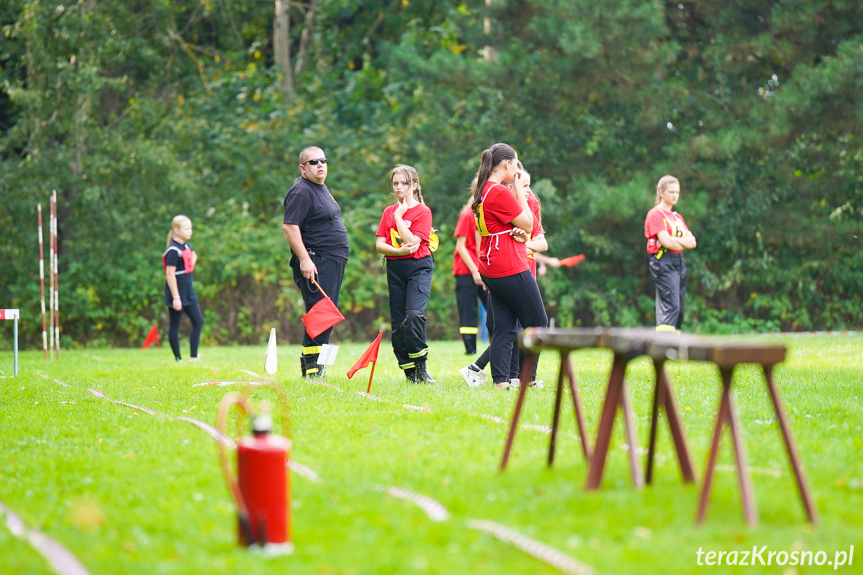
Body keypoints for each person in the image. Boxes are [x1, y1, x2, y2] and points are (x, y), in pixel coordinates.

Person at [459, 143, 547, 390]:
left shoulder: (483, 190)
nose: (517, 171)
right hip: (509, 264)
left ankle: (501, 383)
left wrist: (514, 232)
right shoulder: (499, 192)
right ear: (507, 165)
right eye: (516, 165)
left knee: (505, 327)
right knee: (538, 322)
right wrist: (518, 189)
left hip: (490, 265)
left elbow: (503, 226)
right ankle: (528, 378)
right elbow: (528, 224)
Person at [282, 146, 350, 377]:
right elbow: (290, 227)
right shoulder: (301, 191)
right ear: (303, 169)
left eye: (323, 160)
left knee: (326, 313)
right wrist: (304, 259)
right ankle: (311, 368)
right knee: (320, 313)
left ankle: (318, 367)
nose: (320, 164)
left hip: (331, 260)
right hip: (316, 261)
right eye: (313, 162)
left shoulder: (320, 188)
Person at [375, 165, 436, 384]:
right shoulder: (387, 212)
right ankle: (409, 373)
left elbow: (412, 243)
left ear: (415, 186)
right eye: (396, 183)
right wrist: (397, 251)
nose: (399, 187)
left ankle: (422, 367)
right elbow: (380, 244)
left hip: (419, 267)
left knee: (414, 316)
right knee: (399, 323)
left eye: (404, 183)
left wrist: (400, 218)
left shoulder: (423, 212)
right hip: (395, 268)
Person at [644, 174, 697, 332]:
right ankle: (663, 346)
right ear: (661, 192)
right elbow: (666, 243)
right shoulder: (655, 214)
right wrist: (678, 241)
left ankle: (675, 347)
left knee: (680, 308)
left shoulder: (677, 217)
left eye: (677, 192)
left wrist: (673, 240)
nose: (675, 196)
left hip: (679, 260)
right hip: (663, 261)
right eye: (671, 192)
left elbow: (693, 242)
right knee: (670, 306)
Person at [452, 180, 487, 356]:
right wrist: (475, 270)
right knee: (469, 311)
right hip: (466, 271)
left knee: (494, 306)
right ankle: (470, 351)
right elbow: (461, 246)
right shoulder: (467, 214)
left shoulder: (485, 214)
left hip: (483, 269)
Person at [163, 215, 204, 361]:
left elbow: (193, 255)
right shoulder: (173, 250)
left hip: (189, 292)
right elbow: (169, 274)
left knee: (198, 321)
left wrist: (191, 264)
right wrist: (176, 297)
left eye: (190, 228)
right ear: (176, 230)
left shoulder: (185, 245)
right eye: (186, 228)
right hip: (177, 292)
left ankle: (193, 356)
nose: (189, 231)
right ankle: (178, 359)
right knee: (175, 325)